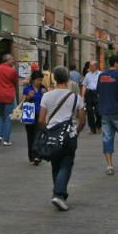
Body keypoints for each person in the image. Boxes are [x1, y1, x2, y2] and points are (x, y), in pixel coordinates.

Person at [39, 66, 86, 211]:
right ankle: (59, 194)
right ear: (68, 79)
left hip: (52, 134)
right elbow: (82, 120)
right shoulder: (76, 97)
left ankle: (60, 193)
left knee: (56, 164)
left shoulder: (46, 96)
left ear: (55, 79)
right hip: (69, 135)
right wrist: (76, 132)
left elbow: (41, 119)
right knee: (66, 164)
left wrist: (47, 131)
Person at [97, 54, 118, 175]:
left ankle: (109, 165)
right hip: (117, 111)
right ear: (116, 63)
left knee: (107, 137)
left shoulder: (101, 76)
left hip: (105, 111)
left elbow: (99, 93)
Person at [0, 54, 19, 146]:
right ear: (8, 60)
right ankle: (6, 139)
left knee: (0, 116)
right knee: (8, 117)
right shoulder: (12, 71)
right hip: (8, 95)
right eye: (12, 59)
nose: (13, 61)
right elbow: (15, 82)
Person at [21, 70, 46, 164]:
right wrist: (28, 97)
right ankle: (31, 156)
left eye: (41, 80)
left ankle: (37, 156)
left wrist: (46, 93)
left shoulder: (43, 89)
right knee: (30, 135)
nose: (39, 82)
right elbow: (22, 101)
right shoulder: (27, 89)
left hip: (40, 114)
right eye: (38, 80)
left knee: (38, 135)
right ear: (33, 80)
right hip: (29, 113)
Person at [81, 61, 101, 134]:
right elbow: (84, 85)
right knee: (89, 111)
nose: (89, 67)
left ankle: (98, 125)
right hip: (89, 93)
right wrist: (83, 96)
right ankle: (92, 128)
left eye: (90, 66)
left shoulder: (100, 74)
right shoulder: (87, 75)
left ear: (95, 66)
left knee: (98, 111)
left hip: (97, 93)